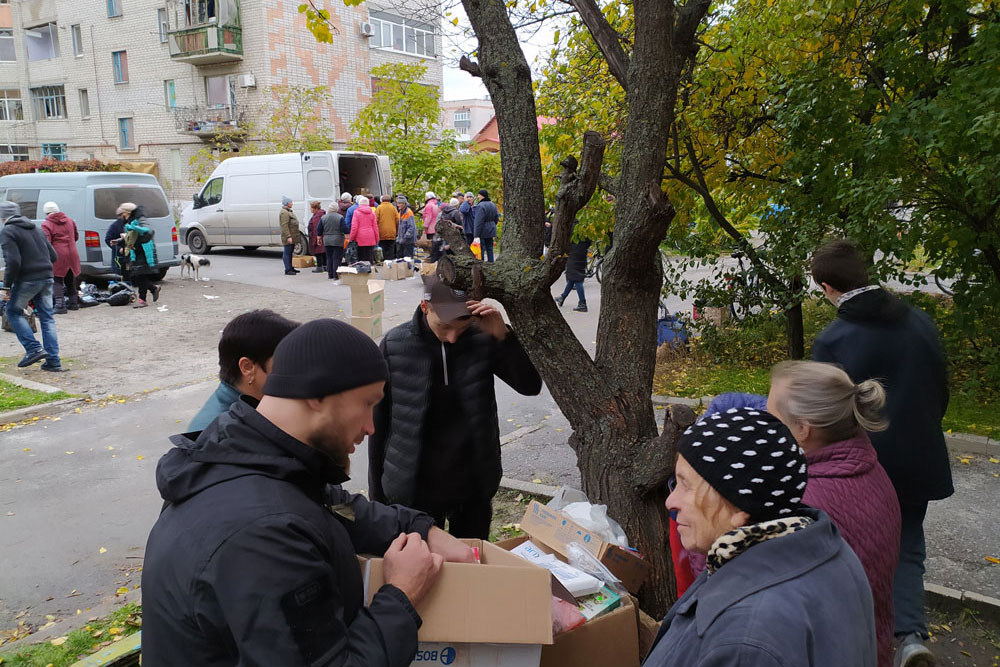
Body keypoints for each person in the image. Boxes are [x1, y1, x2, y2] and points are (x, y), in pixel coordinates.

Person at [142, 319, 476, 666]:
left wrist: (421, 529)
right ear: (317, 395)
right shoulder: (263, 535)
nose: (370, 427)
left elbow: (334, 507)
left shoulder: (252, 459)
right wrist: (400, 594)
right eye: (366, 403)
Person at [644, 407, 877, 667]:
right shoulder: (818, 546)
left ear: (740, 504)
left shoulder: (745, 642)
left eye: (685, 484)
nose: (670, 501)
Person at [810, 239, 951, 666]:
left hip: (861, 468)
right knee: (907, 546)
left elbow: (826, 416)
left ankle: (856, 643)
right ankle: (910, 637)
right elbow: (940, 392)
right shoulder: (921, 323)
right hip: (919, 458)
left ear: (828, 286)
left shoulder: (833, 339)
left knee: (849, 551)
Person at [370, 275, 542, 538]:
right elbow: (379, 424)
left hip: (472, 484)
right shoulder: (395, 345)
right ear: (425, 306)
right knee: (424, 569)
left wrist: (503, 336)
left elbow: (530, 386)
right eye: (445, 326)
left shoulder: (481, 338)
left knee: (470, 564)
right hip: (414, 488)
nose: (452, 338)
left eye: (461, 329)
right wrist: (377, 499)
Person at [767, 361, 901, 667]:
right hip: (868, 645)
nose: (765, 423)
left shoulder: (806, 503)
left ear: (802, 430)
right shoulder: (867, 468)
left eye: (771, 416)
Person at [188, 310, 300, 432]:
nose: (297, 371)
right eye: (286, 361)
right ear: (247, 367)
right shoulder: (221, 437)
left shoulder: (254, 407)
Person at [0, 201, 63, 372]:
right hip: (47, 277)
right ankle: (53, 361)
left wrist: (6, 287)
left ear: (3, 216)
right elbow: (53, 256)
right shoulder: (36, 228)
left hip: (28, 279)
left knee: (12, 311)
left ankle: (33, 348)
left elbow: (13, 261)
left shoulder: (8, 231)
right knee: (47, 318)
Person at [41, 202, 81, 314]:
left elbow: (47, 242)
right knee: (70, 278)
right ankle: (74, 303)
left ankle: (60, 305)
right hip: (72, 252)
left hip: (57, 253)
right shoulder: (70, 221)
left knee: (56, 279)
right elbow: (76, 236)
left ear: (47, 212)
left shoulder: (46, 224)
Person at [124, 207, 161, 308]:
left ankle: (144, 299)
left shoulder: (141, 220)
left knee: (141, 276)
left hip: (143, 253)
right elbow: (132, 237)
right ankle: (152, 289)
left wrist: (134, 228)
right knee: (139, 277)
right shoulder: (134, 221)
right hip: (137, 253)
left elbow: (148, 232)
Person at [555, 238, 591, 312]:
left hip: (574, 255)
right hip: (582, 255)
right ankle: (562, 297)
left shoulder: (576, 229)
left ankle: (582, 303)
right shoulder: (588, 229)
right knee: (572, 278)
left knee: (577, 279)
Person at [105, 202, 135, 279]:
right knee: (123, 276)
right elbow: (108, 239)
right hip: (120, 258)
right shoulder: (115, 226)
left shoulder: (134, 223)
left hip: (132, 256)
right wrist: (119, 249)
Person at [319, 202, 346, 282]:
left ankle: (330, 274)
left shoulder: (323, 217)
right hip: (338, 240)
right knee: (337, 258)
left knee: (329, 257)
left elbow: (319, 229)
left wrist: (319, 237)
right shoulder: (340, 217)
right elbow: (344, 229)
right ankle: (336, 275)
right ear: (336, 209)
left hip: (327, 240)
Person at [349, 196, 379, 263]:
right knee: (369, 256)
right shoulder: (372, 213)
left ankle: (362, 272)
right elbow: (375, 227)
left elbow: (354, 227)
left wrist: (351, 238)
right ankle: (370, 271)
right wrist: (377, 238)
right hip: (371, 237)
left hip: (360, 238)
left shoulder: (356, 212)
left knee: (361, 258)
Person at [474, 189, 499, 262]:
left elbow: (479, 221)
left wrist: (476, 235)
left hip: (483, 230)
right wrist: (493, 225)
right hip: (491, 229)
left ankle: (481, 264)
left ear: (482, 195)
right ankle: (491, 263)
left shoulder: (480, 206)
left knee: (481, 248)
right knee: (490, 248)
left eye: (478, 195)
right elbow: (496, 218)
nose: (478, 196)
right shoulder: (493, 204)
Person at [279, 196, 302, 276]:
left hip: (292, 235)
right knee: (287, 252)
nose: (292, 203)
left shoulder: (288, 211)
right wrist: (288, 236)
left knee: (290, 252)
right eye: (291, 202)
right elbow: (284, 225)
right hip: (288, 236)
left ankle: (290, 267)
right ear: (287, 203)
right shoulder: (284, 212)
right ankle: (287, 269)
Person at [376, 194, 399, 261]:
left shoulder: (379, 208)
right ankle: (390, 261)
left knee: (383, 246)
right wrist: (396, 230)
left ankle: (384, 260)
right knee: (391, 247)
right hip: (392, 231)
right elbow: (397, 220)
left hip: (381, 231)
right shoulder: (393, 208)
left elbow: (376, 220)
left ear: (382, 200)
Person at [306, 200, 326, 273]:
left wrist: (315, 239)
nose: (310, 210)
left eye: (311, 208)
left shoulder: (317, 216)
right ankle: (325, 266)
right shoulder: (320, 214)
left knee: (318, 252)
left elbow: (316, 228)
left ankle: (319, 267)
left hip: (317, 236)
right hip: (321, 236)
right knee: (323, 251)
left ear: (315, 208)